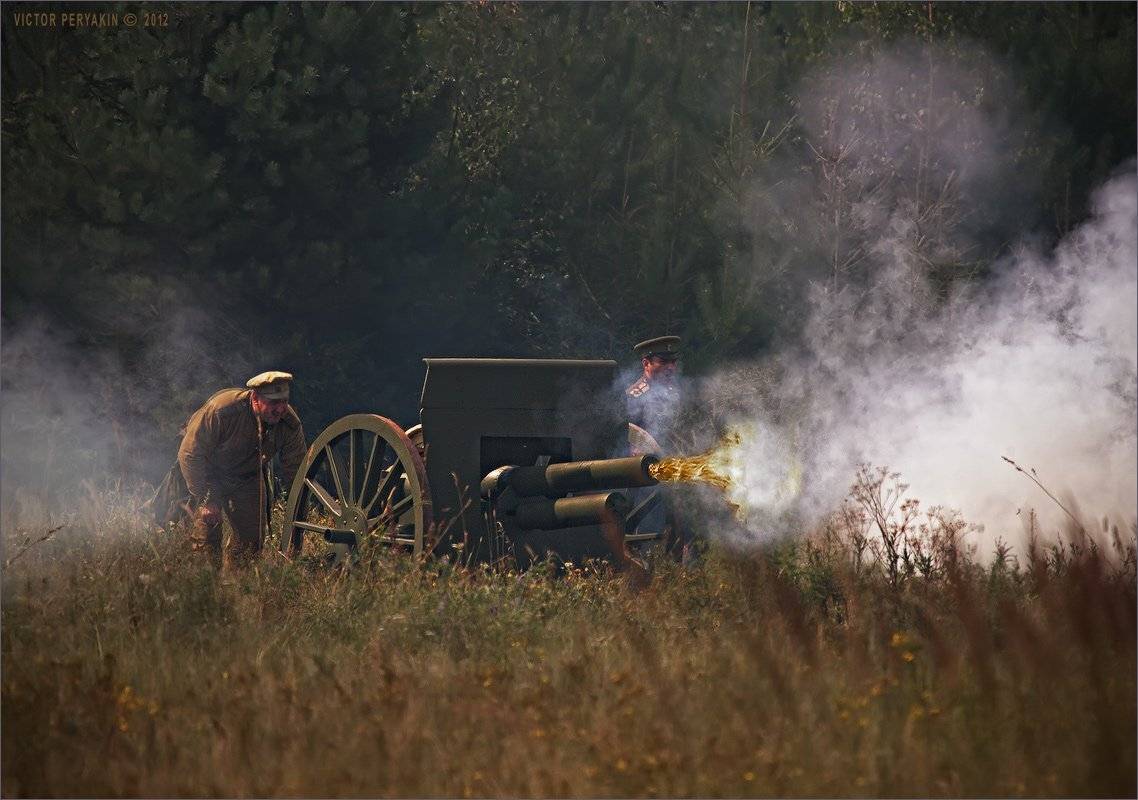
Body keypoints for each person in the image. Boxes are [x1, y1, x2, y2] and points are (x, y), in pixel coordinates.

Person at [177, 371, 307, 566]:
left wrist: (299, 508)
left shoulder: (289, 423)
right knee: (207, 538)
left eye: (284, 401)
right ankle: (206, 586)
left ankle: (238, 587)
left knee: (251, 545)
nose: (280, 409)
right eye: (273, 402)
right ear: (255, 398)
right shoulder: (222, 410)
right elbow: (190, 454)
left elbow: (297, 469)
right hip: (207, 474)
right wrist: (206, 499)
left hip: (246, 478)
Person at [625, 335, 681, 445]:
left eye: (673, 362)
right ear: (646, 364)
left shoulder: (675, 392)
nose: (670, 367)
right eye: (664, 362)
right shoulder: (633, 397)